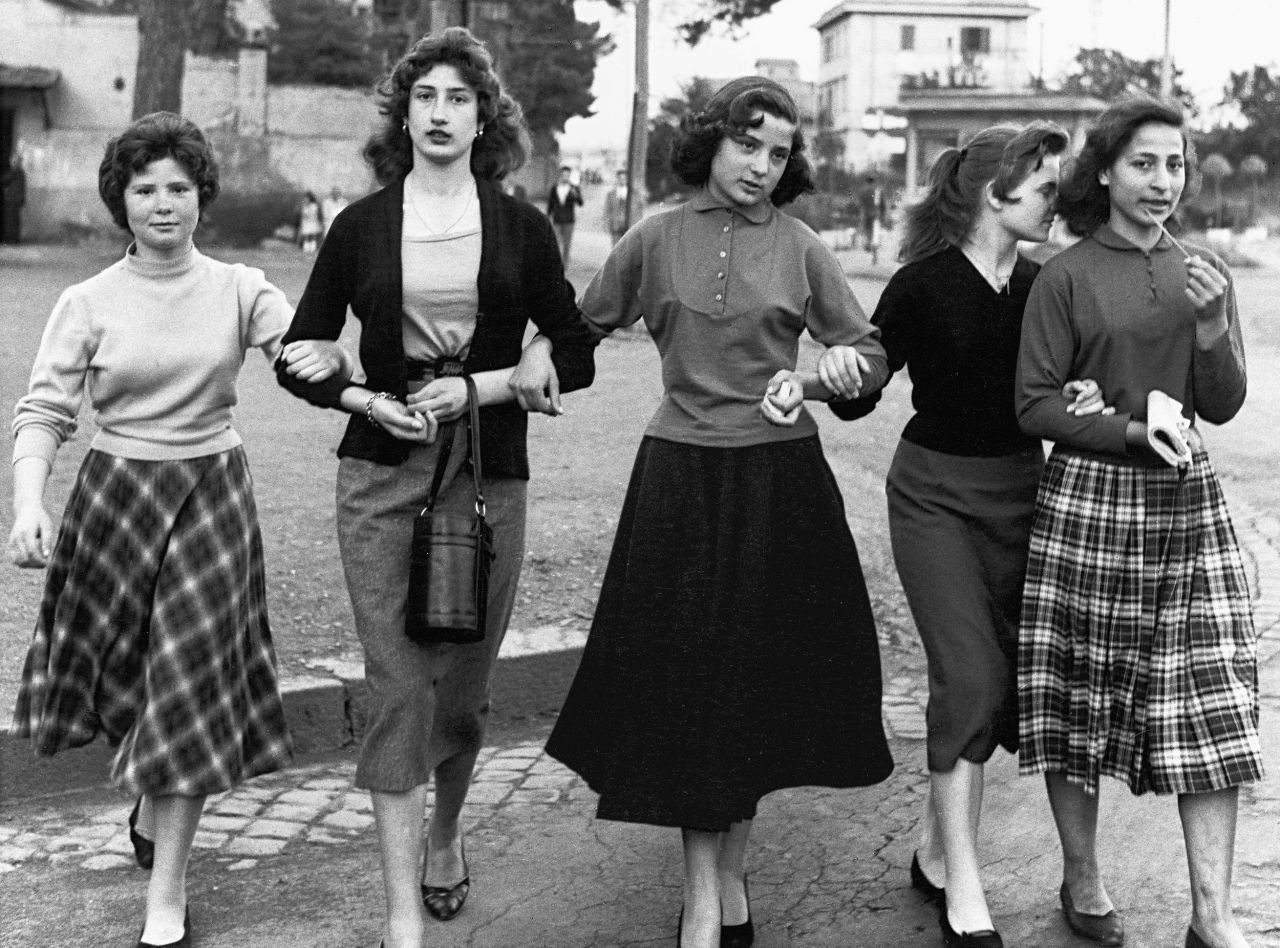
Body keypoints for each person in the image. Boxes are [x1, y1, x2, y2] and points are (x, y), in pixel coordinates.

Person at [543, 75, 894, 948]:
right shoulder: (654, 236)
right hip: (680, 483)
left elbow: (868, 356)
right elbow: (577, 331)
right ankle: (706, 901)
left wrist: (828, 377)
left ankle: (727, 880)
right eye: (747, 143)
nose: (761, 165)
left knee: (752, 690)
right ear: (711, 141)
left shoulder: (803, 246)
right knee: (692, 689)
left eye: (778, 152)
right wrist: (531, 353)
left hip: (781, 486)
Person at [273, 27, 597, 948]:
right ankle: (400, 914)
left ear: (483, 117)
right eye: (426, 97)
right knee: (398, 687)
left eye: (460, 98)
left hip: (486, 478)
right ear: (404, 115)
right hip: (380, 474)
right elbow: (300, 352)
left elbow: (575, 350)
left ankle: (445, 835)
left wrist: (485, 385)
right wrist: (361, 394)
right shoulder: (359, 226)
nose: (442, 113)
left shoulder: (521, 227)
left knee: (460, 690)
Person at [8, 111, 348, 948]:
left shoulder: (240, 287)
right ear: (120, 201)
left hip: (211, 497)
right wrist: (28, 503)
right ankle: (149, 799)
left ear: (202, 196)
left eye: (179, 189)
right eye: (145, 190)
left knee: (189, 681)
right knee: (132, 677)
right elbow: (44, 411)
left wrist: (339, 367)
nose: (164, 204)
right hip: (117, 502)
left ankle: (169, 891)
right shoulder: (85, 301)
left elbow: (303, 354)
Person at [836, 122, 1112, 948]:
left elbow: (1064, 386)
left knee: (1004, 687)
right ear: (997, 192)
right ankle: (964, 886)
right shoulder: (920, 284)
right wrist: (841, 373)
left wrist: (1086, 395)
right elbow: (865, 383)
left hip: (1025, 499)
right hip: (934, 501)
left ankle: (931, 849)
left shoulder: (1045, 284)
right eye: (1045, 189)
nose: (1056, 204)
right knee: (970, 678)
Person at [1016, 96, 1261, 948]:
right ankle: (1083, 880)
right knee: (1078, 699)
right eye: (1144, 163)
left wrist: (1213, 324)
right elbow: (1034, 406)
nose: (1163, 181)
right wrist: (1124, 429)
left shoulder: (1204, 271)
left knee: (1214, 697)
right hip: (1090, 504)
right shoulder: (1066, 275)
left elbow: (1222, 405)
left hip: (1187, 501)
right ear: (1107, 172)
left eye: (1175, 165)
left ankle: (1213, 916)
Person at [545, 163, 583, 265]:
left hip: (569, 221)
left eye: (567, 175)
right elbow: (550, 203)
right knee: (556, 243)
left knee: (567, 244)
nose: (565, 177)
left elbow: (580, 203)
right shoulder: (554, 188)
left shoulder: (574, 188)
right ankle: (557, 263)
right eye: (563, 175)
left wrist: (576, 195)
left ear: (569, 175)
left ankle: (565, 263)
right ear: (560, 175)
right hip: (557, 219)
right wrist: (547, 216)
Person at [856, 172, 888, 264]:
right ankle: (874, 255)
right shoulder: (878, 191)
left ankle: (868, 245)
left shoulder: (862, 191)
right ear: (874, 181)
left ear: (867, 181)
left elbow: (860, 204)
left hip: (865, 215)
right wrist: (883, 216)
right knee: (875, 236)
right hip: (876, 216)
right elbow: (883, 205)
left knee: (867, 233)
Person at [1, 150, 25, 244]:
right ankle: (14, 239)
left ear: (17, 162)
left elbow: (4, 179)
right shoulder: (20, 172)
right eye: (12, 161)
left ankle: (12, 240)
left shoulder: (16, 171)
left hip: (12, 200)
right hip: (15, 200)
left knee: (11, 221)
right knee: (14, 221)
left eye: (14, 161)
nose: (12, 162)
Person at [604, 168, 629, 244]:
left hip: (629, 227)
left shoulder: (632, 194)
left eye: (624, 178)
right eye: (620, 178)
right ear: (617, 179)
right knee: (616, 247)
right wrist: (607, 224)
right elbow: (607, 210)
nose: (622, 180)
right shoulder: (610, 194)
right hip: (615, 227)